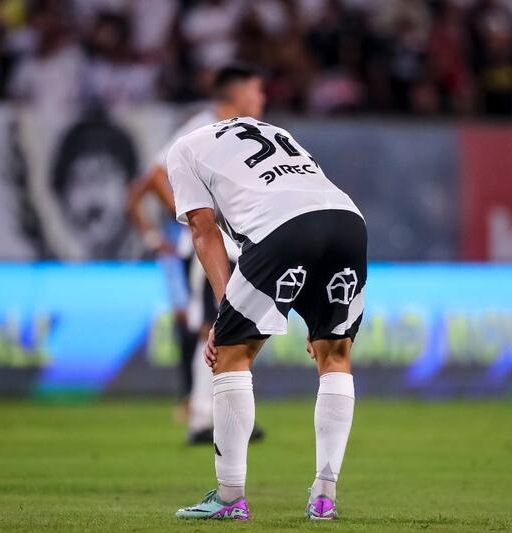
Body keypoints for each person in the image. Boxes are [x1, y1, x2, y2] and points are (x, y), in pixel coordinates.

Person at [168, 116, 366, 520]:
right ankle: (324, 496)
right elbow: (306, 200)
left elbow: (204, 230)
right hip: (346, 219)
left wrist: (224, 315)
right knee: (335, 353)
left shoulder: (183, 148)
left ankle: (229, 497)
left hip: (280, 225)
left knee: (230, 353)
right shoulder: (275, 131)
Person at [126, 64, 266, 444]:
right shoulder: (202, 125)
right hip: (209, 245)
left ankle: (229, 417)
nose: (262, 99)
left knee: (240, 329)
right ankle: (201, 417)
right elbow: (156, 173)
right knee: (214, 327)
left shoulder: (245, 131)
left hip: (237, 244)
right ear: (236, 95)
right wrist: (194, 217)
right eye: (256, 91)